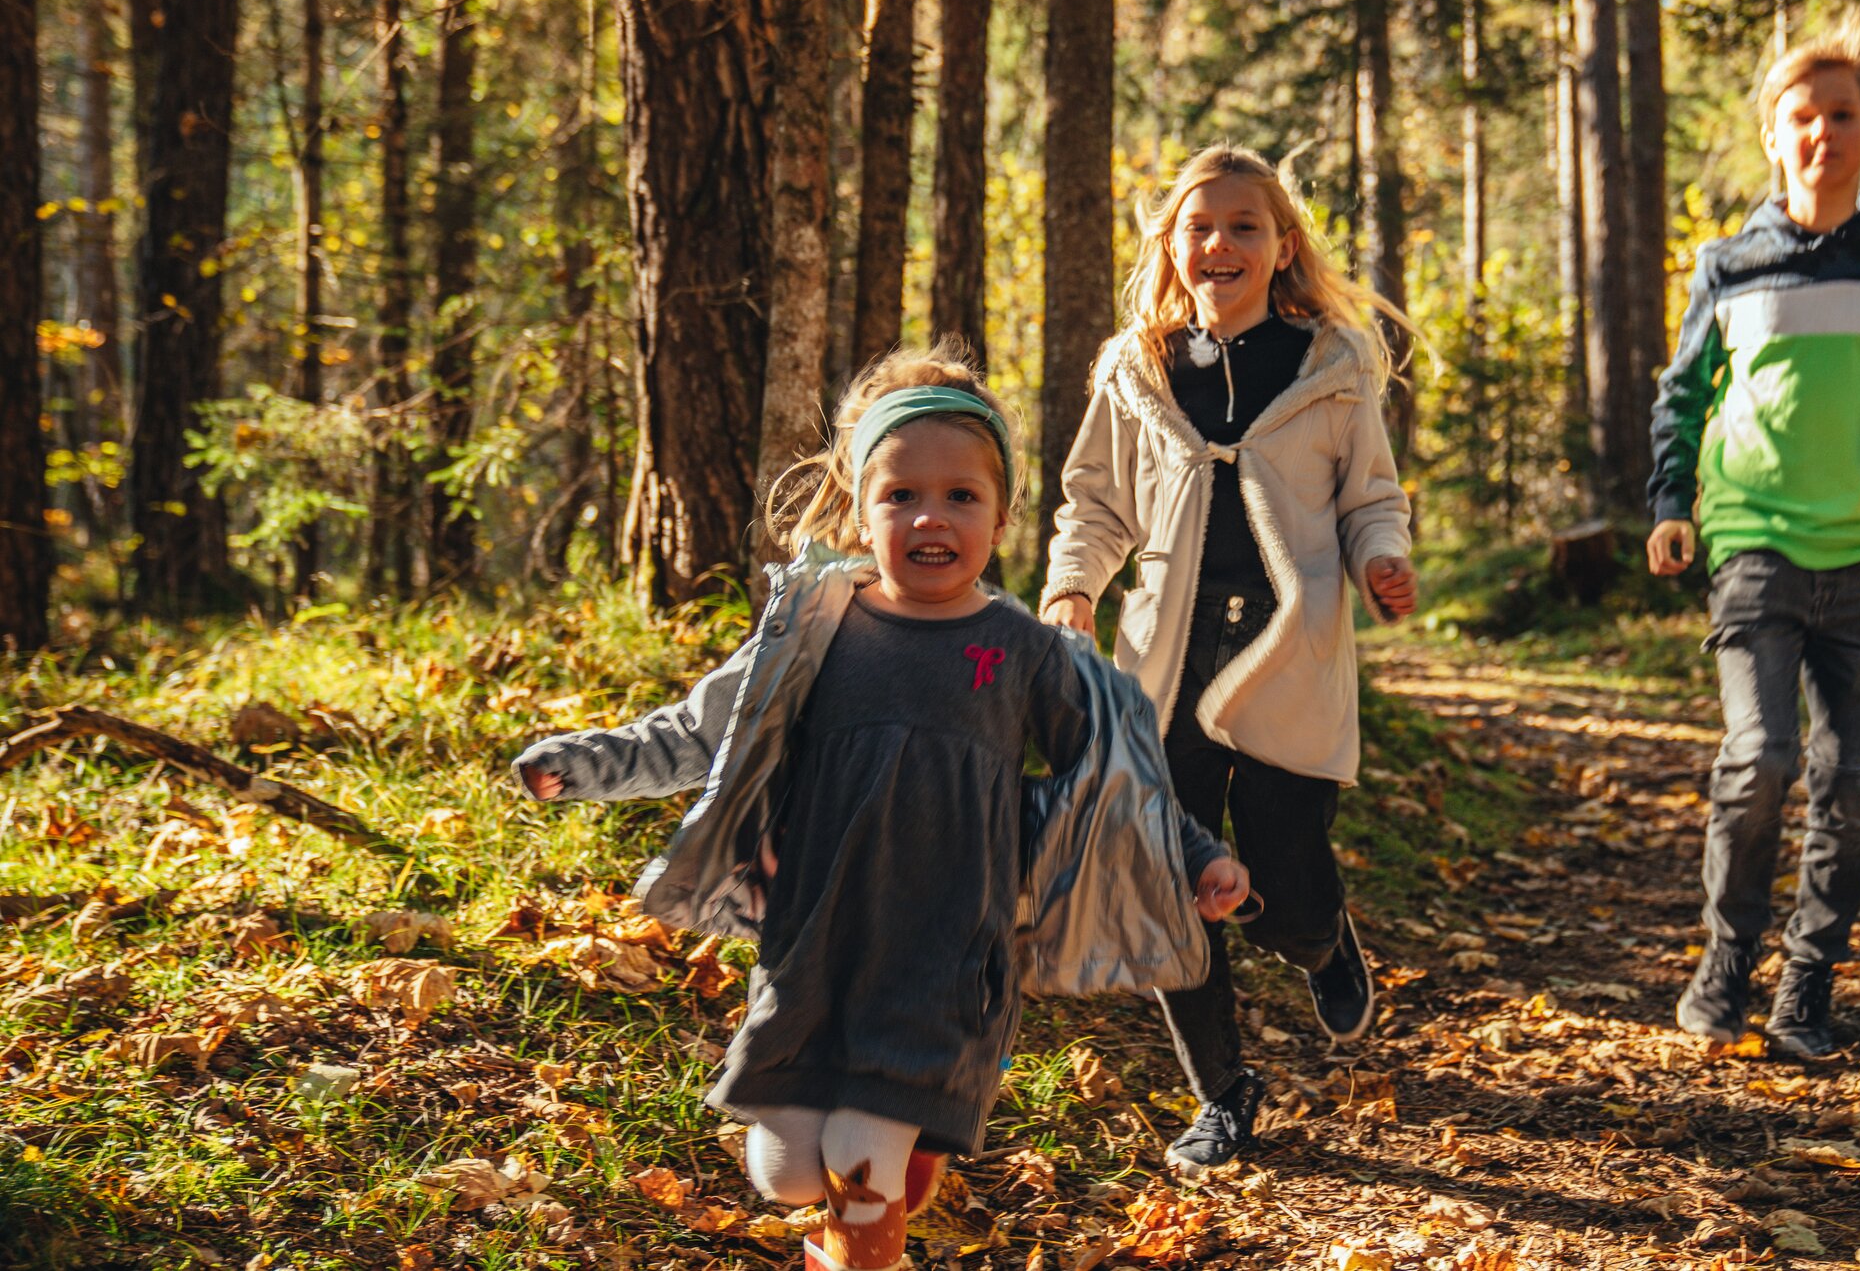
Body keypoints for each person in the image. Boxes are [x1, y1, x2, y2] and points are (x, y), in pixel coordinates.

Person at [513, 344, 1251, 1271]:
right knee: (785, 1172)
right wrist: (582, 763)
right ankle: (899, 1166)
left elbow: (1118, 769)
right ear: (861, 510)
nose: (929, 516)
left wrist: (1192, 854)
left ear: (1002, 514)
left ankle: (880, 1211)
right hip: (814, 942)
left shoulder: (1022, 649)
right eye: (900, 495)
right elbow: (698, 732)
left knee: (861, 1173)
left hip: (945, 956)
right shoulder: (814, 632)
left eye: (960, 496)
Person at [1039, 144, 1419, 1180]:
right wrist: (1073, 586)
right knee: (1168, 878)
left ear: (1280, 246)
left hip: (1284, 655)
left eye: (1243, 226)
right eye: (1198, 226)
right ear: (1170, 244)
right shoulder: (1136, 368)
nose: (1219, 243)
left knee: (1285, 883)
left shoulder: (1329, 366)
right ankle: (1222, 1092)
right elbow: (1094, 504)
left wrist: (1381, 558)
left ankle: (1321, 937)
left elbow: (1370, 498)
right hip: (1163, 662)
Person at [1644, 17, 1860, 1061]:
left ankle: (1806, 988)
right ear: (1771, 136)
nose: (1820, 132)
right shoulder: (1730, 262)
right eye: (1801, 117)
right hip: (1753, 541)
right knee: (1759, 756)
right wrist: (1668, 502)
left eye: (1840, 115)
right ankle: (1725, 961)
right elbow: (1681, 394)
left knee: (1853, 781)